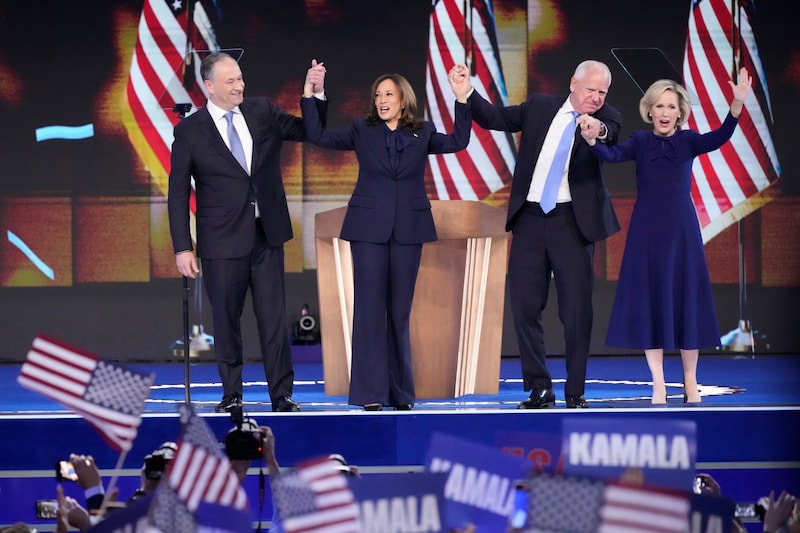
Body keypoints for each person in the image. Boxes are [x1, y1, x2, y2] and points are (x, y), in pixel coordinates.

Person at [300, 67, 471, 410]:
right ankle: (371, 395)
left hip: (408, 230)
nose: (381, 100)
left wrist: (462, 98)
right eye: (378, 95)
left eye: (388, 94)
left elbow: (459, 142)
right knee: (368, 310)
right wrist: (312, 94)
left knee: (399, 312)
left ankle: (401, 393)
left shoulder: (423, 132)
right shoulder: (362, 130)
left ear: (403, 99)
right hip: (368, 231)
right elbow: (318, 135)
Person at [168, 52, 329, 413]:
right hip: (221, 241)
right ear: (209, 87)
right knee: (226, 320)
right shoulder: (190, 131)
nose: (240, 85)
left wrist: (313, 95)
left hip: (265, 233)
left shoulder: (262, 111)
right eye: (230, 81)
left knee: (273, 317)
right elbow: (178, 193)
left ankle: (282, 395)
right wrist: (182, 247)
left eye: (240, 78)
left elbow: (309, 132)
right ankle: (232, 394)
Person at [580, 68, 752, 405]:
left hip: (682, 232)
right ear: (650, 110)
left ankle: (690, 382)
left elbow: (719, 137)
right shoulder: (641, 142)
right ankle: (658, 384)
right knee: (650, 303)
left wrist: (737, 104)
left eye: (671, 107)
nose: (664, 112)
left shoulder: (688, 141)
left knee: (686, 300)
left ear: (680, 112)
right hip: (647, 232)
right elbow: (612, 155)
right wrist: (591, 141)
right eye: (659, 106)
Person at [463, 60, 622, 409]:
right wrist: (467, 93)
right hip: (530, 220)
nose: (596, 97)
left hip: (572, 223)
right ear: (572, 84)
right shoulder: (539, 106)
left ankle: (575, 392)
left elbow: (609, 131)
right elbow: (495, 119)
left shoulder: (607, 116)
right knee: (523, 306)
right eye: (591, 90)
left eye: (602, 92)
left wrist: (596, 131)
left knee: (576, 311)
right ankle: (540, 387)